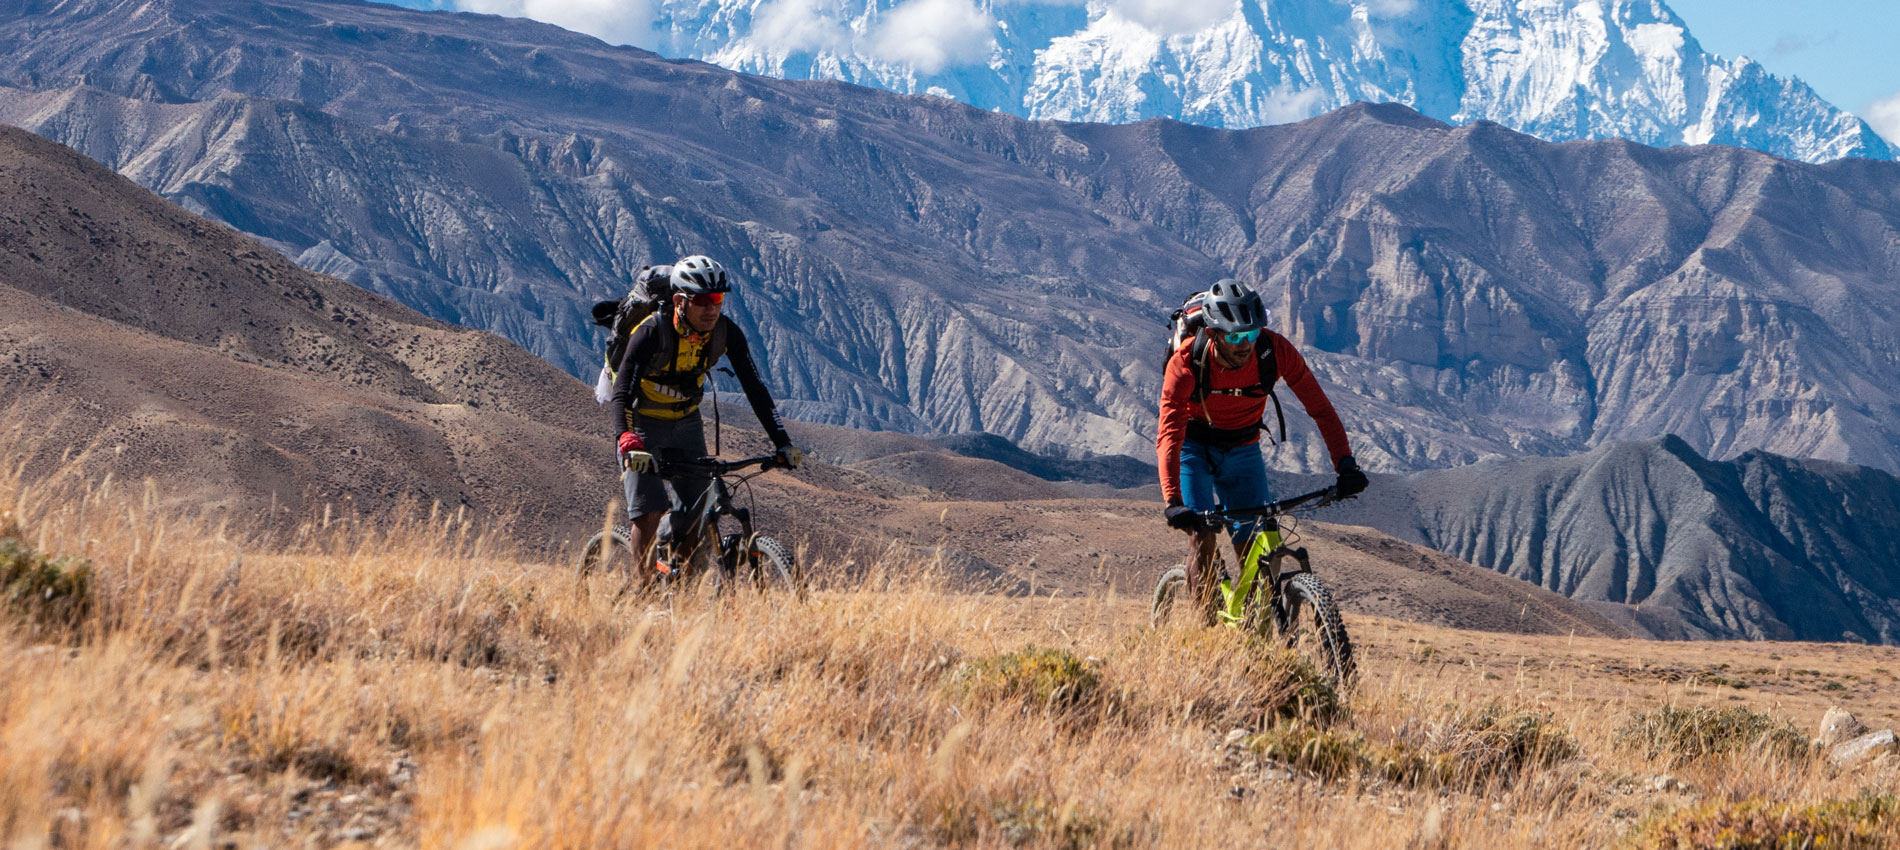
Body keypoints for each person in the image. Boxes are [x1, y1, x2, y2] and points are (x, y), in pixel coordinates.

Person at [1155, 278, 1369, 624]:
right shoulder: (1185, 362)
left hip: (1242, 447)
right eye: (1235, 336)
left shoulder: (1274, 351)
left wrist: (1345, 463)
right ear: (1212, 334)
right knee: (1203, 536)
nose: (1245, 345)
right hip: (1193, 447)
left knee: (1256, 547)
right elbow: (1169, 432)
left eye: (1251, 334)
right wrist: (1173, 500)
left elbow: (1320, 408)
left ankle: (1256, 633)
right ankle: (1203, 630)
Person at [609, 255, 804, 576]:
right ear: (679, 302)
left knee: (698, 508)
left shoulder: (726, 333)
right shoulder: (650, 333)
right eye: (702, 301)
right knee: (649, 509)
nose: (711, 309)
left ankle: (682, 588)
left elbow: (755, 388)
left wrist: (782, 441)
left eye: (717, 299)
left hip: (686, 422)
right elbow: (621, 392)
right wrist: (626, 438)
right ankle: (639, 594)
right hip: (641, 423)